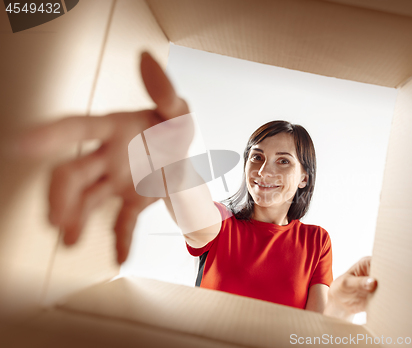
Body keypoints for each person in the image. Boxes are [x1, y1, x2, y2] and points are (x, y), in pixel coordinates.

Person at [18, 52, 377, 320]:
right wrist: (169, 155)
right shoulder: (222, 226)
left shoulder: (316, 242)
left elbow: (310, 332)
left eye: (283, 160)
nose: (264, 169)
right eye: (256, 157)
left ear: (304, 178)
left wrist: (341, 308)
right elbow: (189, 197)